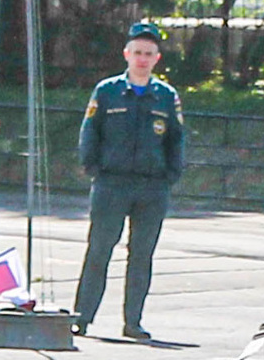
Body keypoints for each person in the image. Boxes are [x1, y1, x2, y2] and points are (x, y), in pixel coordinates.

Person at [75, 20, 186, 340]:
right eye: (137, 52)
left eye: (148, 53)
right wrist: (92, 167)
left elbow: (176, 138)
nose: (142, 58)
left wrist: (171, 174)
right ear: (126, 54)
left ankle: (133, 322)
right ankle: (82, 317)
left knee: (142, 255)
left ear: (156, 59)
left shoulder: (165, 96)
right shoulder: (107, 91)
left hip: (152, 186)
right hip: (112, 183)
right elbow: (90, 132)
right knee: (99, 250)